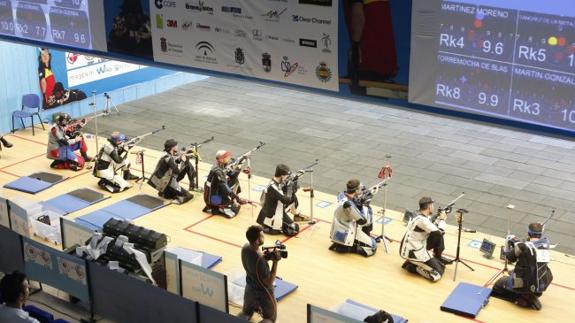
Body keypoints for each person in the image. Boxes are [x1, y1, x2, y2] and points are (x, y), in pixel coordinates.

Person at [491, 223, 553, 310]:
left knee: (499, 284)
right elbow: (532, 247)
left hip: (523, 285)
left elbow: (510, 258)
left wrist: (512, 245)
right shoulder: (546, 244)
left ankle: (520, 298)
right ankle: (530, 295)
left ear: (529, 233)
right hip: (540, 285)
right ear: (541, 233)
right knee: (516, 272)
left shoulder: (521, 246)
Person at [399, 197, 454, 282]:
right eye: (432, 205)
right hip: (413, 252)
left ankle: (413, 263)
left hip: (415, 247)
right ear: (429, 207)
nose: (433, 207)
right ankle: (412, 266)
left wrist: (439, 218)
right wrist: (442, 219)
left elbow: (431, 225)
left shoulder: (421, 216)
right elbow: (439, 233)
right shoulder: (422, 220)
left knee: (441, 265)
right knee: (437, 274)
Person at [237, 225, 280, 323]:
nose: (264, 237)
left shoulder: (245, 248)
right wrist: (275, 262)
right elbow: (268, 282)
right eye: (262, 236)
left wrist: (264, 257)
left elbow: (255, 262)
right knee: (270, 319)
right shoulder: (260, 261)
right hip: (263, 293)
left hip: (250, 288)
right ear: (257, 241)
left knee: (245, 313)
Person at [329, 179, 377, 257]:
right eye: (359, 188)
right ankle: (347, 248)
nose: (361, 190)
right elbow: (363, 221)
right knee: (373, 247)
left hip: (339, 227)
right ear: (356, 190)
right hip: (347, 232)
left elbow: (352, 204)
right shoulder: (349, 205)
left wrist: (359, 201)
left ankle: (343, 244)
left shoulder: (342, 194)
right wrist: (365, 204)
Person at [256, 164, 302, 236]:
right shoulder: (273, 187)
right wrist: (290, 187)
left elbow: (289, 193)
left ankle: (295, 214)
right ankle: (268, 227)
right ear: (282, 176)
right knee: (294, 229)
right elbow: (286, 200)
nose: (287, 178)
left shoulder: (276, 182)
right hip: (273, 214)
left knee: (294, 198)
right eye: (286, 176)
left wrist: (295, 180)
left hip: (277, 208)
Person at [203, 150, 247, 218]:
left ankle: (234, 200)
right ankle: (219, 207)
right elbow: (224, 186)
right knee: (235, 209)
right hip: (214, 198)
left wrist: (238, 166)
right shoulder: (217, 170)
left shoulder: (220, 164)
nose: (229, 158)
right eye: (227, 157)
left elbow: (232, 176)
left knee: (234, 180)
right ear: (221, 159)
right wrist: (233, 195)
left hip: (213, 192)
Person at [148, 139, 194, 204]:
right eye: (176, 145)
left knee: (170, 195)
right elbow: (177, 171)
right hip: (166, 182)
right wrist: (184, 161)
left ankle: (165, 192)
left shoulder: (167, 155)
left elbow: (174, 162)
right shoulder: (168, 158)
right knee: (189, 195)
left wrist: (180, 158)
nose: (177, 147)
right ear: (173, 147)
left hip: (162, 181)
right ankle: (176, 197)